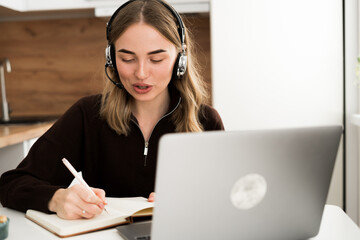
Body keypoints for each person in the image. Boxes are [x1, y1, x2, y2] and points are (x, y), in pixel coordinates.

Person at [0, 0, 224, 220]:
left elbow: (233, 197)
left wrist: (198, 199)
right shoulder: (87, 115)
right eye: (127, 58)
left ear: (180, 59)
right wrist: (57, 198)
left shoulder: (206, 122)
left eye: (156, 59)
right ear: (111, 57)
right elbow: (11, 184)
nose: (141, 73)